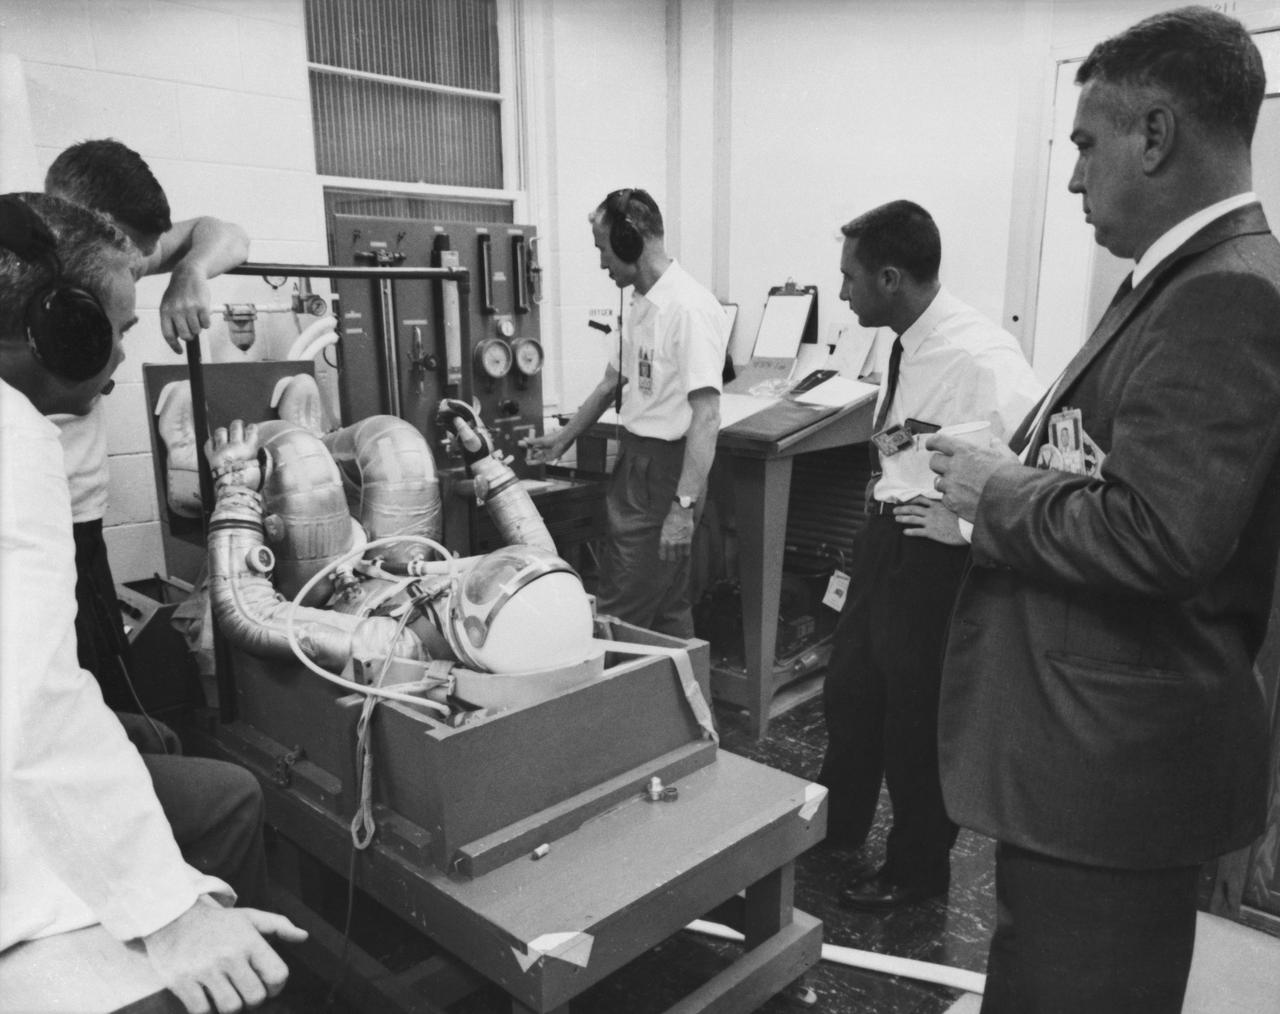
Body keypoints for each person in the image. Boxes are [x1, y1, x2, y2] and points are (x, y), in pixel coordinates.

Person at [928, 8, 1278, 1011]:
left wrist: (998, 492)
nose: (1074, 174)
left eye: (1086, 143)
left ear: (1154, 134)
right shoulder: (1175, 282)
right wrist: (1027, 465)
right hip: (1087, 767)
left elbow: (1160, 535)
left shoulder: (1225, 295)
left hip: (1112, 779)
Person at [0, 192, 306, 1012]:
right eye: (120, 332)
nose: (122, 358)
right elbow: (27, 711)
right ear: (61, 331)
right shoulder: (13, 438)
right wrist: (170, 913)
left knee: (204, 784)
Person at [816, 200, 1040, 912]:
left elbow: (1037, 468)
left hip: (932, 551)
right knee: (851, 695)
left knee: (914, 718)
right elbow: (908, 435)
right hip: (886, 532)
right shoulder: (906, 336)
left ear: (890, 277)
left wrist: (967, 530)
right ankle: (833, 831)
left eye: (850, 278)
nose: (843, 291)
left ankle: (916, 871)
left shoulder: (982, 355)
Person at [45, 138, 250, 711]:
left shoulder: (109, 254)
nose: (134, 270)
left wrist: (191, 270)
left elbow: (223, 229)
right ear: (90, 227)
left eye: (142, 258)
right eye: (130, 255)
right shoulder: (29, 284)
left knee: (111, 687)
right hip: (38, 524)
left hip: (83, 522)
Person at [522, 188, 728, 637]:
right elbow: (610, 382)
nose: (601, 263)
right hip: (637, 464)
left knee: (620, 617)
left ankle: (616, 702)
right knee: (666, 615)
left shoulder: (689, 310)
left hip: (666, 477)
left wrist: (682, 508)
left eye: (602, 249)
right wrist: (563, 439)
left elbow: (707, 416)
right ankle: (685, 707)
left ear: (631, 239)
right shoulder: (640, 305)